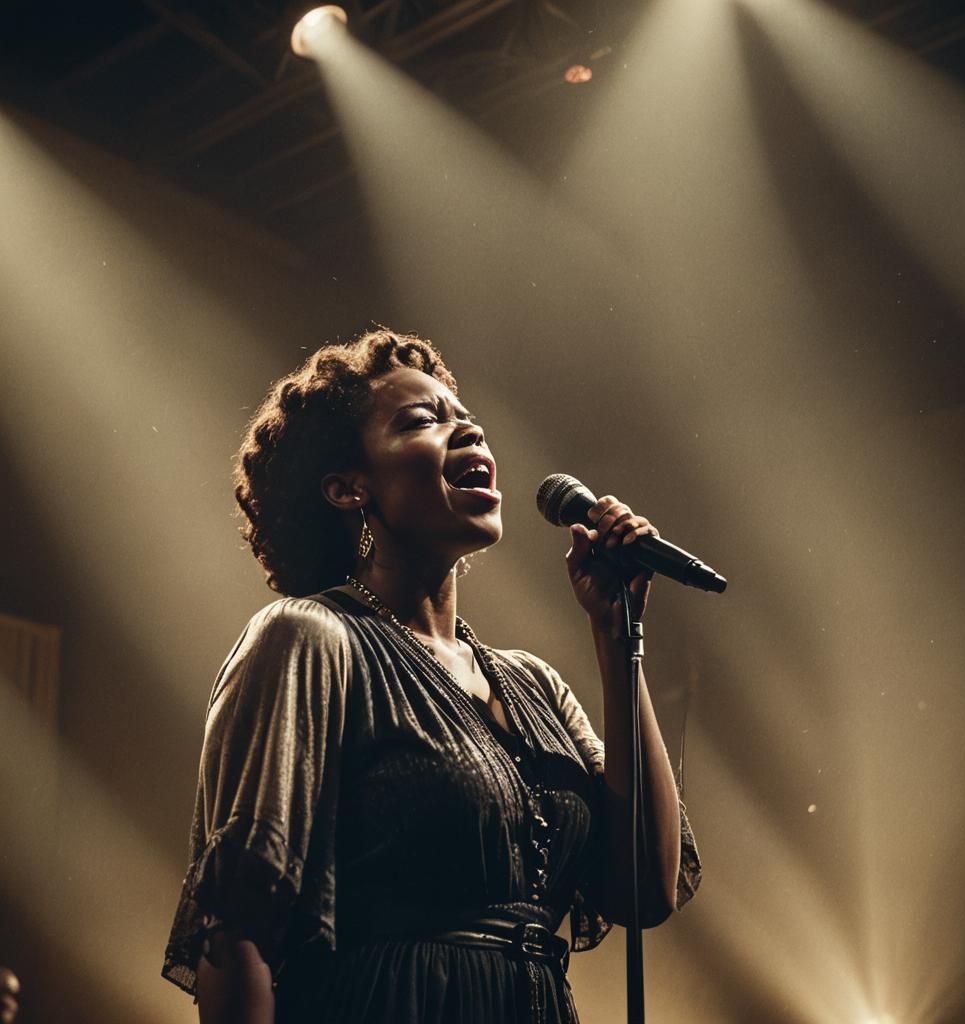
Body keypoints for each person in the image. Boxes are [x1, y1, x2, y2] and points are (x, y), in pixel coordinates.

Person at [162, 328, 701, 1023]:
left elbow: (644, 891)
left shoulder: (532, 685)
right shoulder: (310, 638)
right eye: (422, 420)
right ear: (348, 487)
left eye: (464, 415)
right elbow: (238, 931)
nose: (468, 428)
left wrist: (613, 630)